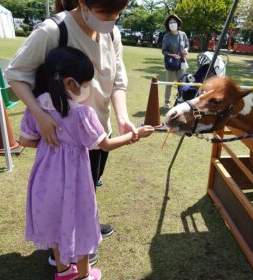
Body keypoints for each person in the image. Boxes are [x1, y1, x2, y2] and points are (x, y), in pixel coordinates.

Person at [5, 0, 136, 267]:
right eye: (105, 12)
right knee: (62, 194)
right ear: (84, 4)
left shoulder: (113, 32)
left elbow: (117, 80)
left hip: (97, 131)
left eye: (118, 13)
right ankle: (64, 252)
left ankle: (83, 232)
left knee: (86, 189)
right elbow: (16, 74)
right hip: (65, 136)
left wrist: (122, 117)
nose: (112, 19)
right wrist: (40, 116)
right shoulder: (52, 30)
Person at [19, 46, 153, 280]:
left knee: (54, 223)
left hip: (44, 179)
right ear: (71, 83)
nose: (88, 88)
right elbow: (106, 145)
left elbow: (25, 141)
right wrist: (136, 134)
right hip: (74, 182)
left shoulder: (37, 106)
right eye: (87, 83)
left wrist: (50, 143)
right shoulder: (82, 113)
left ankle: (62, 272)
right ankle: (84, 275)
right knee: (80, 225)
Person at [161, 14, 189, 109]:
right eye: (170, 22)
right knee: (169, 83)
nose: (172, 24)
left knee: (181, 83)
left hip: (182, 62)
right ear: (168, 25)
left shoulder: (183, 34)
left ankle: (180, 99)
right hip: (171, 63)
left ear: (178, 23)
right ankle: (167, 102)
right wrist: (172, 55)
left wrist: (186, 50)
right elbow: (164, 51)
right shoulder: (166, 36)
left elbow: (187, 45)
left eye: (174, 22)